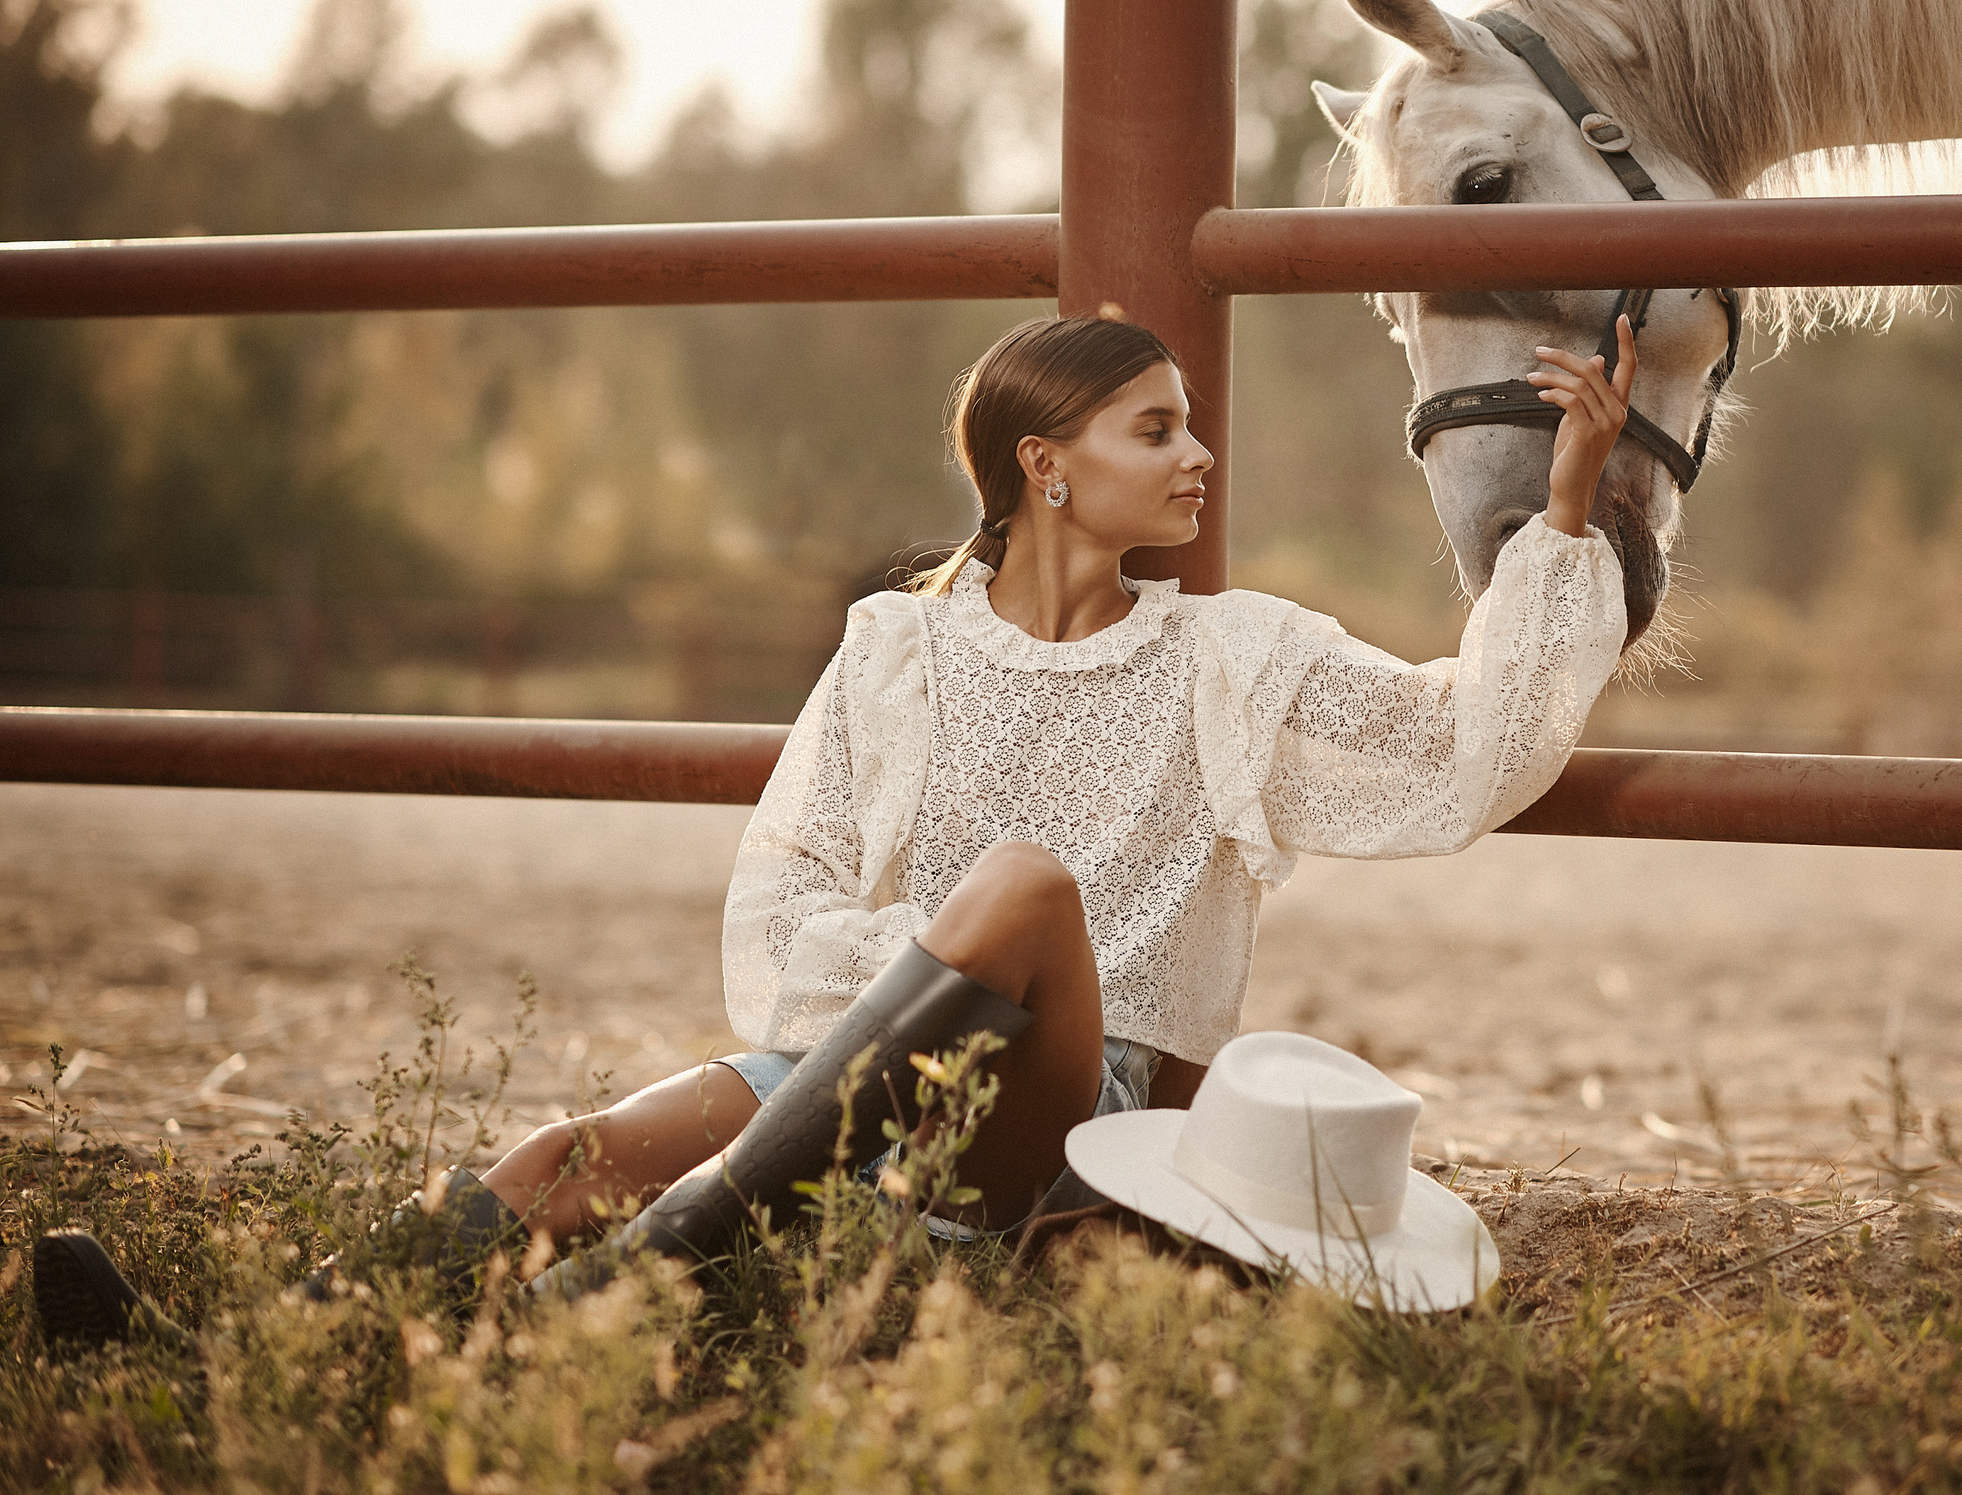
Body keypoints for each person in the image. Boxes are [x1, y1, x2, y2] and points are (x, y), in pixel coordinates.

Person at [36, 311, 1636, 1341]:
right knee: (569, 1154)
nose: (1200, 453)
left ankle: (634, 1288)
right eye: (1156, 428)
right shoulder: (896, 646)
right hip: (856, 1055)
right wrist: (889, 994)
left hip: (1077, 1093)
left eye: (1190, 424)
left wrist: (1562, 518)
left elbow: (1467, 748)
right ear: (1046, 467)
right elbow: (784, 885)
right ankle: (242, 1346)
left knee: (1018, 889)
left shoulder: (1241, 653)